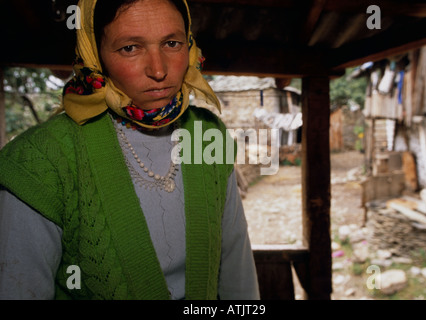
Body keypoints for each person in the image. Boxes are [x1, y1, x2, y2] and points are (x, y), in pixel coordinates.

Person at [0, 0, 260, 300]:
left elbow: (237, 272)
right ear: (95, 55)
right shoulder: (40, 159)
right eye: (130, 48)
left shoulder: (207, 135)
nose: (158, 70)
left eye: (172, 43)